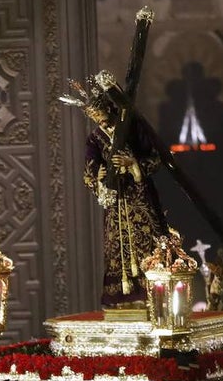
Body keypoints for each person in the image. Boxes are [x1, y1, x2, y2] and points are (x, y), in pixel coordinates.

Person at [68, 71, 170, 307]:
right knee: (117, 249)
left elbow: (156, 158)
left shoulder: (132, 128)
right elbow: (89, 172)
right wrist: (99, 178)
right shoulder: (95, 138)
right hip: (115, 203)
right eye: (94, 118)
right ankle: (123, 299)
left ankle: (152, 295)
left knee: (147, 242)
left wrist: (134, 165)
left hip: (139, 196)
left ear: (110, 110)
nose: (99, 121)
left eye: (101, 116)